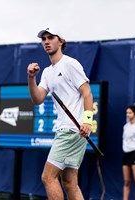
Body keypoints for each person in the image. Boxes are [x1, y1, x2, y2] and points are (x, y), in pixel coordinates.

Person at [27, 27, 93, 200]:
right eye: (44, 39)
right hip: (72, 131)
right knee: (70, 182)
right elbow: (37, 99)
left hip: (72, 130)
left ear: (61, 41)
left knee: (48, 177)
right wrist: (31, 78)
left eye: (51, 38)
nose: (46, 41)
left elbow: (87, 92)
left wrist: (87, 121)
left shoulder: (70, 64)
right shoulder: (48, 72)